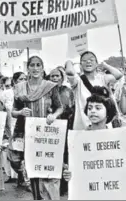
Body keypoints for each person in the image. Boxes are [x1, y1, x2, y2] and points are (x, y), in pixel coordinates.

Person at [62, 87, 126, 199]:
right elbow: (77, 166)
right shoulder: (79, 139)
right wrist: (69, 174)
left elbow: (122, 166)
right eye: (90, 108)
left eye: (98, 108)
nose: (93, 111)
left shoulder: (117, 138)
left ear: (108, 112)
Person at [10, 56, 63, 200]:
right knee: (34, 169)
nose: (35, 68)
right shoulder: (20, 88)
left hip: (47, 133)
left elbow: (59, 107)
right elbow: (13, 111)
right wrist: (20, 112)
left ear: (42, 67)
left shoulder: (50, 86)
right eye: (32, 65)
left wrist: (54, 116)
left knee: (49, 169)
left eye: (38, 65)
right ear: (27, 68)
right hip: (28, 134)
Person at [65, 51, 123, 130]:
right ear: (80, 65)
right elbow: (69, 71)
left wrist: (105, 65)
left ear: (96, 63)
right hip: (83, 124)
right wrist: (69, 61)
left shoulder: (103, 78)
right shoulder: (78, 81)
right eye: (84, 60)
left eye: (91, 60)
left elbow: (118, 75)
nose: (88, 62)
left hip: (103, 123)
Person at [48, 67, 75, 196]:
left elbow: (71, 108)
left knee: (65, 156)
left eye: (57, 76)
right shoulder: (46, 91)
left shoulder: (67, 91)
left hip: (66, 126)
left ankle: (64, 185)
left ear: (61, 77)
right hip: (50, 128)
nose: (54, 78)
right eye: (52, 76)